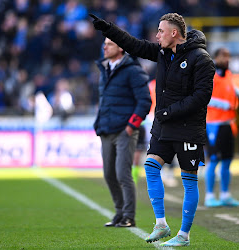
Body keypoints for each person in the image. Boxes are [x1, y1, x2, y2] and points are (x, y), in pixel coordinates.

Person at [90, 12, 215, 246]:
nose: (157, 35)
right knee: (150, 166)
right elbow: (134, 45)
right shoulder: (162, 52)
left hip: (188, 127)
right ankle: (161, 224)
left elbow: (202, 96)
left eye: (160, 31)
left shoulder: (201, 58)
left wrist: (169, 111)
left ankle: (184, 236)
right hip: (164, 126)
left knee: (189, 181)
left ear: (174, 33)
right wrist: (108, 28)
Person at [94, 38, 151, 227]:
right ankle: (119, 213)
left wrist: (131, 126)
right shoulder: (104, 69)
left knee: (122, 174)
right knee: (109, 174)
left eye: (109, 44)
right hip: (106, 129)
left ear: (120, 48)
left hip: (124, 130)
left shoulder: (133, 71)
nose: (105, 47)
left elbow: (144, 101)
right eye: (104, 44)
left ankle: (129, 216)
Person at [204, 48, 239, 207]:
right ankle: (209, 196)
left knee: (227, 160)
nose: (226, 59)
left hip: (228, 124)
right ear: (216, 58)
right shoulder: (210, 76)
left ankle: (225, 195)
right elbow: (205, 97)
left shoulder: (229, 75)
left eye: (228, 56)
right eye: (223, 56)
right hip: (213, 125)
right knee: (214, 159)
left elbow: (232, 89)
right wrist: (225, 104)